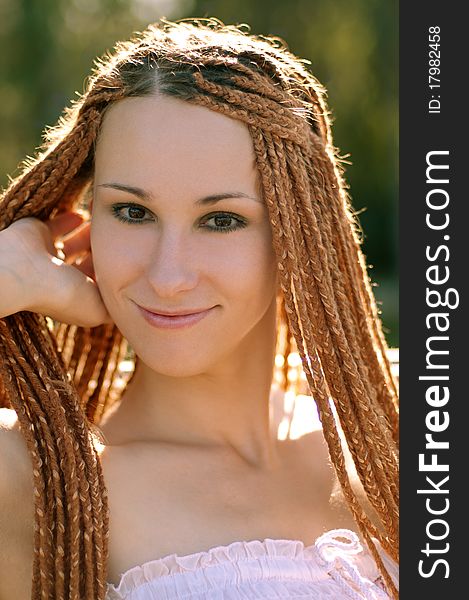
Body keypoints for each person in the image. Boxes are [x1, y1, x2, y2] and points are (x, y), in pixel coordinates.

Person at [0, 17, 399, 600]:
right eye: (133, 212)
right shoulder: (34, 478)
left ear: (299, 232)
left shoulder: (401, 431)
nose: (167, 277)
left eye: (221, 220)